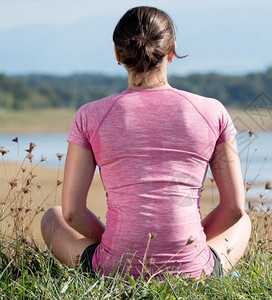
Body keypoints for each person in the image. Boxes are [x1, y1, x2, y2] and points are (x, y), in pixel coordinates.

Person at [40, 6, 251, 279]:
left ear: (117, 54)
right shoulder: (212, 111)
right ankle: (198, 266)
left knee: (52, 218)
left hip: (115, 268)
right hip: (192, 269)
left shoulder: (90, 115)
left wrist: (115, 243)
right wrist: (186, 243)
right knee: (243, 220)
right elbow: (234, 208)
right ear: (172, 50)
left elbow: (72, 214)